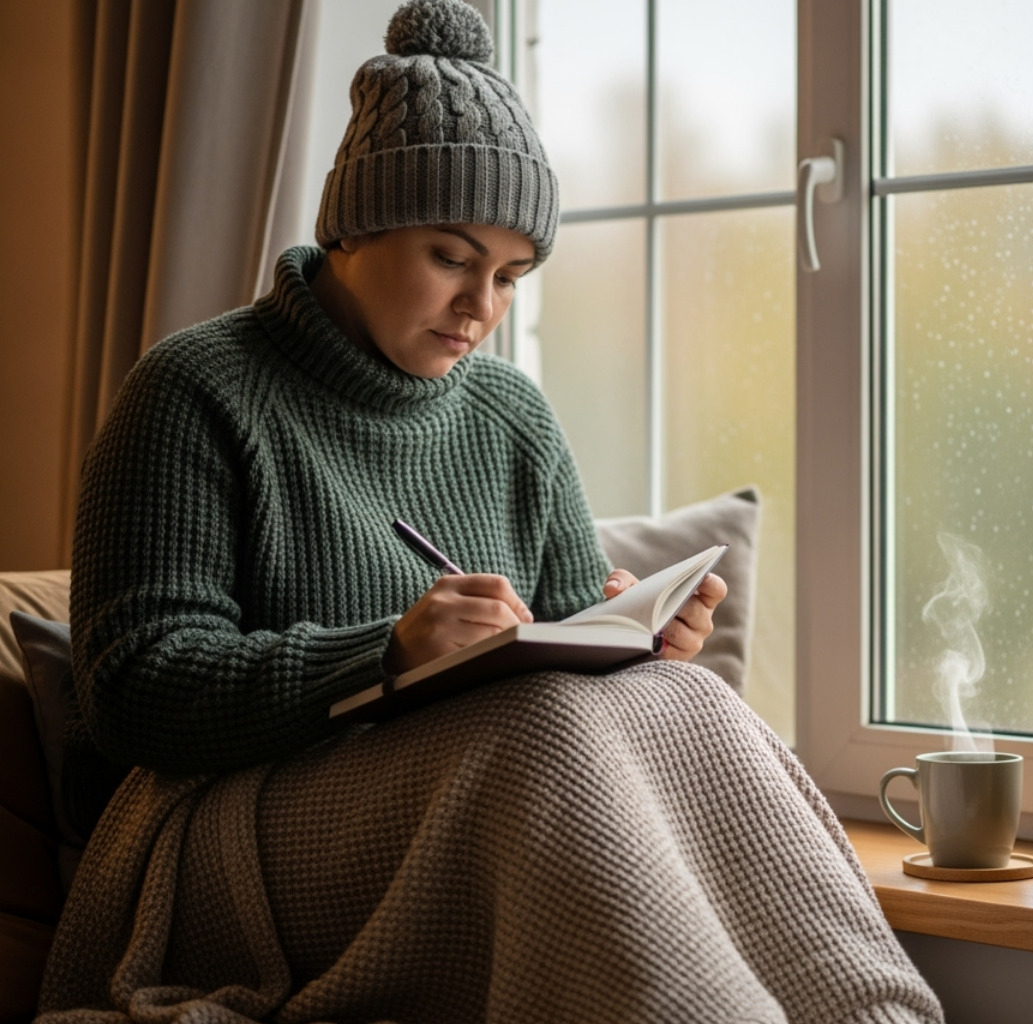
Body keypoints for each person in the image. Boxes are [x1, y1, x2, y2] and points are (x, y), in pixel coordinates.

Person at [40, 2, 943, 1021]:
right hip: (220, 831)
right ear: (354, 227)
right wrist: (385, 653)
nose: (482, 307)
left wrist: (635, 636)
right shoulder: (193, 389)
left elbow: (570, 655)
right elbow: (131, 690)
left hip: (462, 793)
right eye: (452, 258)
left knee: (693, 702)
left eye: (511, 277)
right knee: (538, 731)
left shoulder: (512, 414)